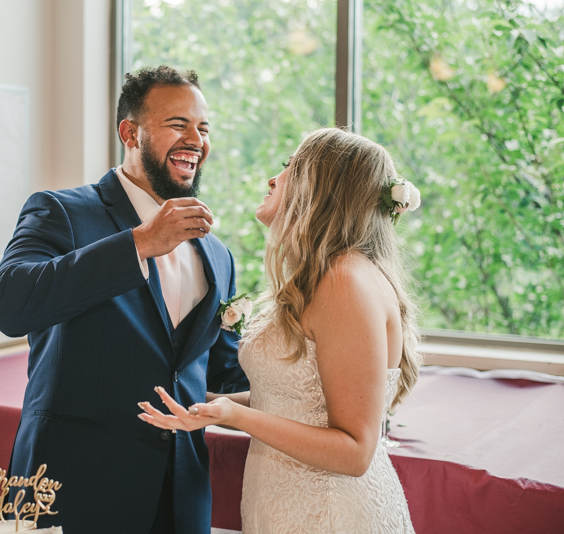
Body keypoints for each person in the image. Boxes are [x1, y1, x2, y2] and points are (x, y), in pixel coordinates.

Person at [0, 66, 249, 534]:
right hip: (71, 486)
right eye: (178, 125)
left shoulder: (218, 255)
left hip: (180, 495)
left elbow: (221, 371)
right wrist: (139, 243)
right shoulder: (60, 211)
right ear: (130, 132)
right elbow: (9, 304)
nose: (196, 139)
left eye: (203, 128)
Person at [140, 128, 421, 532]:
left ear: (322, 188)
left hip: (330, 515)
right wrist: (209, 403)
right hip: (289, 506)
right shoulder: (326, 277)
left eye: (290, 166)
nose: (275, 178)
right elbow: (296, 401)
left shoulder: (345, 281)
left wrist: (233, 414)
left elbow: (355, 452)